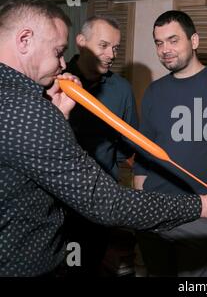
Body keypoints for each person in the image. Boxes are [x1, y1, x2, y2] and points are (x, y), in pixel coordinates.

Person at [0, 0, 207, 277]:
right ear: (24, 40)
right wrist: (204, 205)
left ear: (194, 41)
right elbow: (108, 202)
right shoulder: (29, 110)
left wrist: (57, 117)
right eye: (58, 51)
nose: (62, 63)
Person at [133, 10, 207, 277]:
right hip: (155, 211)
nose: (165, 49)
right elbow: (144, 149)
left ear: (194, 41)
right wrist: (141, 198)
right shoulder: (154, 90)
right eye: (159, 42)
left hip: (201, 214)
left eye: (173, 40)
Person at [63, 16, 139, 276]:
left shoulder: (122, 90)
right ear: (81, 42)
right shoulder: (53, 81)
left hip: (99, 205)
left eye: (116, 48)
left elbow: (129, 147)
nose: (111, 54)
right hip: (56, 204)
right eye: (104, 45)